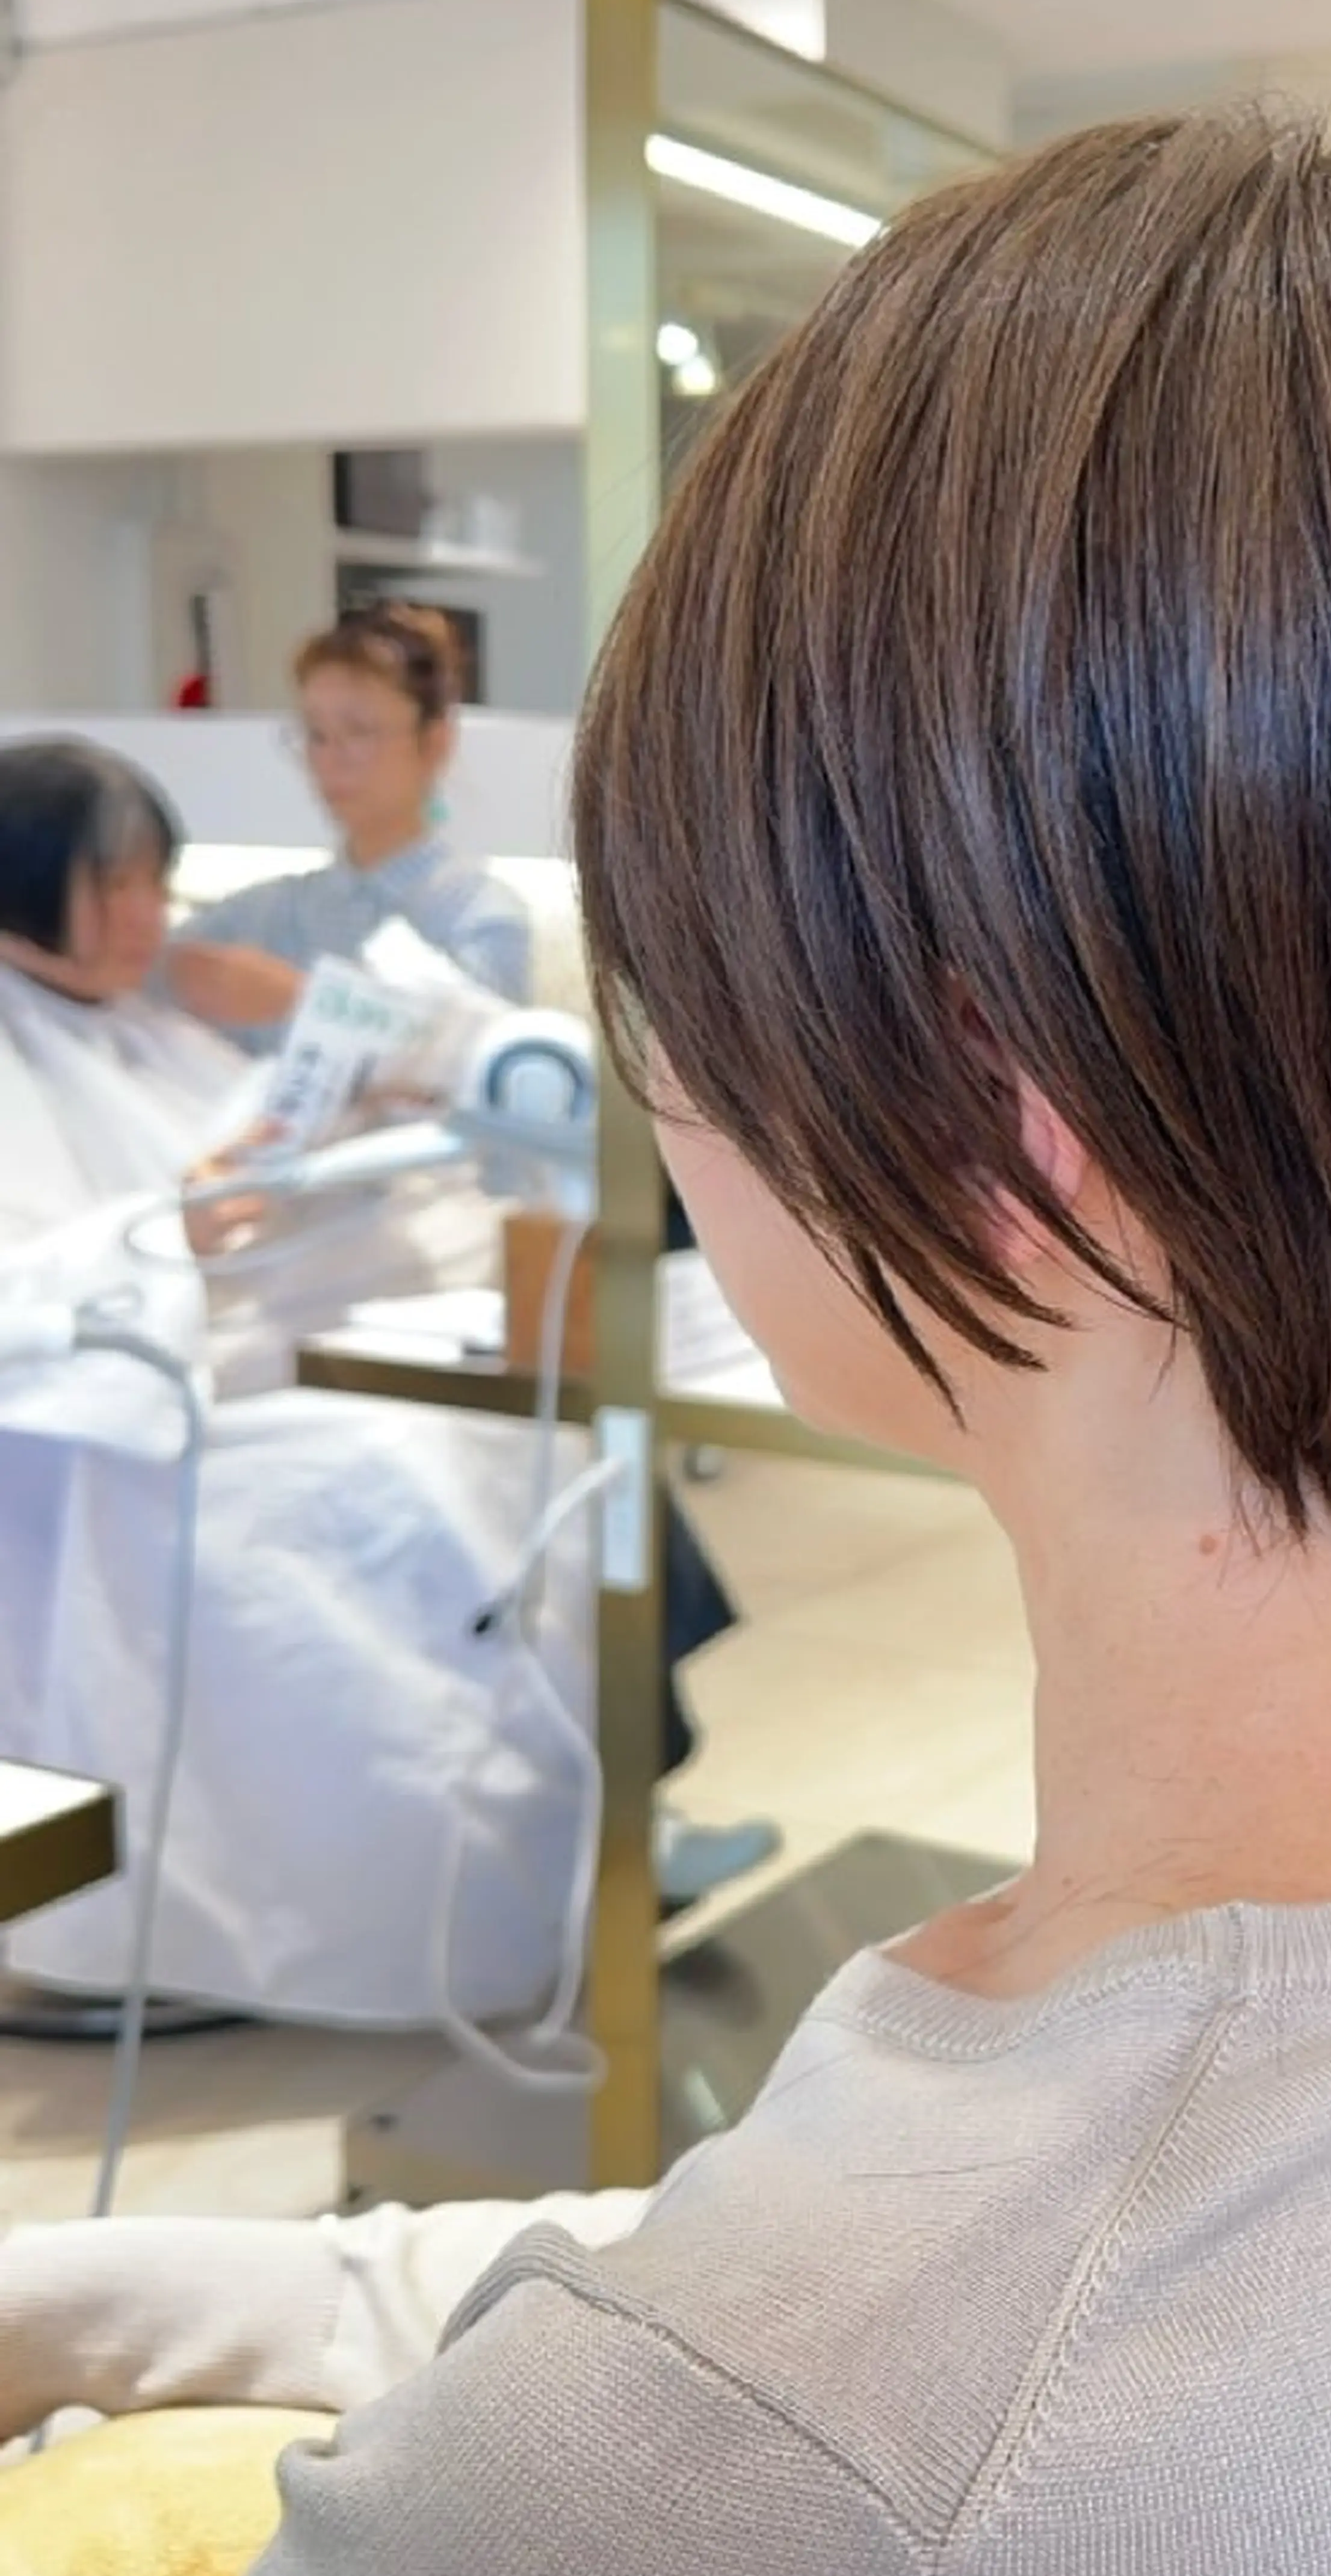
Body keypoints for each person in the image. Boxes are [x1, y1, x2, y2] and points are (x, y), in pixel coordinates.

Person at [2, 112, 1331, 2576]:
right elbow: (723, 2331)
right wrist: (92, 2294)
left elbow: (745, 2429)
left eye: (687, 979)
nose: (670, 1099)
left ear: (990, 1114)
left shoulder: (737, 2483)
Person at [0, 739, 768, 1985]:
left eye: (154, 880)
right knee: (423, 1460)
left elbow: (236, 1169)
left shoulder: (150, 1010)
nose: (150, 915)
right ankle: (557, 1854)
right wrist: (176, 1229)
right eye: (115, 886)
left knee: (557, 1431)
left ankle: (611, 1823)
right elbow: (34, 1293)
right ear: (25, 884)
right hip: (117, 1439)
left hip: (241, 1359)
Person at [164, 602, 531, 1043]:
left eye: (358, 731)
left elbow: (492, 1064)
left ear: (435, 742)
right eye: (316, 734)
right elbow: (144, 974)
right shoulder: (266, 914)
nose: (330, 759)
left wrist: (300, 1000)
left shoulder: (480, 916)